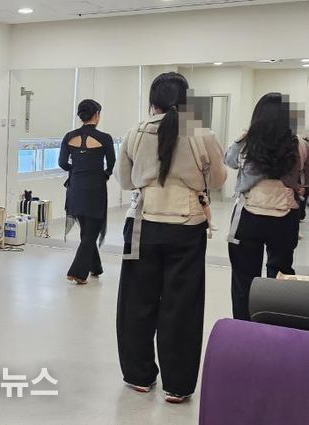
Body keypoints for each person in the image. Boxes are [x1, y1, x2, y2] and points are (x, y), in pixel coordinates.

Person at [115, 72, 227, 403]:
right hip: (187, 226)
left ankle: (138, 375)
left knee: (136, 301)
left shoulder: (136, 131)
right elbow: (218, 179)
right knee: (182, 306)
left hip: (141, 226)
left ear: (152, 101)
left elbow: (125, 181)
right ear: (185, 101)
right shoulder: (201, 133)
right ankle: (177, 385)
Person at [225, 93, 308, 321]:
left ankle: (244, 328)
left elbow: (229, 160)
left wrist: (244, 134)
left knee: (244, 279)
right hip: (285, 216)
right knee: (281, 277)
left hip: (248, 216)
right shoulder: (299, 144)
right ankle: (276, 327)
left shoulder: (247, 142)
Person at [59, 99, 115, 284]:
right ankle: (77, 272)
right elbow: (111, 164)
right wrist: (104, 174)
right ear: (96, 115)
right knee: (91, 232)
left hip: (75, 187)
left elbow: (62, 163)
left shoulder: (69, 137)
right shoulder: (105, 138)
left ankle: (96, 267)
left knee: (87, 230)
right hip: (95, 188)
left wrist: (76, 171)